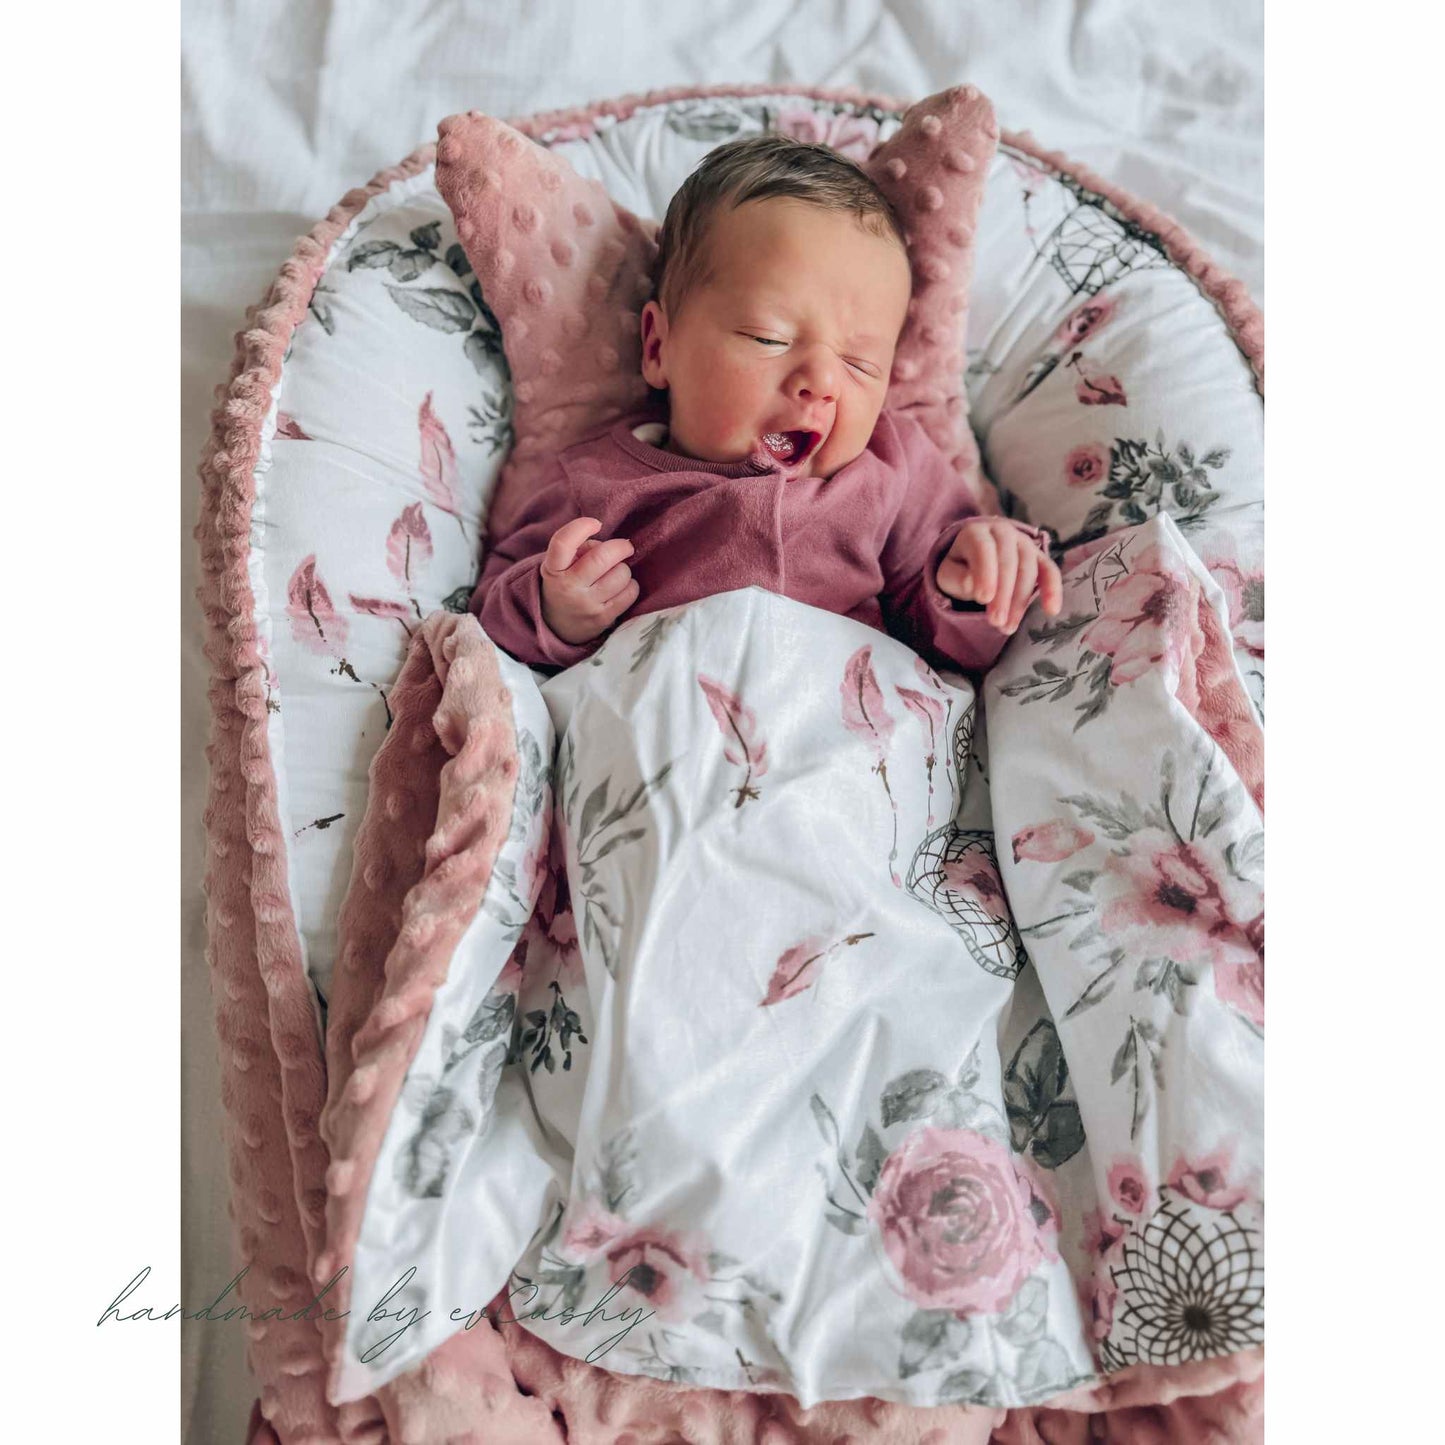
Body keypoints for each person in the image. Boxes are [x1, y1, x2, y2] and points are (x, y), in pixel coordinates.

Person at [472, 134, 1062, 673]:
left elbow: (953, 635)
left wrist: (970, 579)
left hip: (847, 739)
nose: (822, 382)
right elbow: (493, 617)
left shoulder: (892, 466)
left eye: (861, 364)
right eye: (769, 339)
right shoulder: (598, 482)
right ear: (659, 347)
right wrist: (556, 610)